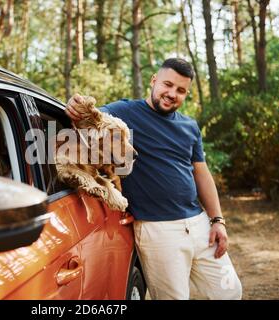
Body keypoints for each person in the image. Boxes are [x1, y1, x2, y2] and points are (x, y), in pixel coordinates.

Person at [65, 58, 242, 300]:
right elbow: (90, 118)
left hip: (199, 223)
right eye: (167, 84)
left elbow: (201, 173)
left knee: (230, 292)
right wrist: (75, 105)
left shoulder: (189, 126)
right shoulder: (124, 112)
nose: (172, 94)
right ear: (154, 80)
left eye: (181, 90)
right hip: (157, 230)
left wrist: (217, 220)